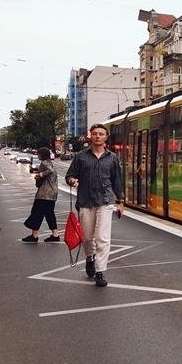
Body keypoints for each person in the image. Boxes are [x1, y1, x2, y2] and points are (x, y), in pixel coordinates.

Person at [65, 123, 124, 287]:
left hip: (105, 202)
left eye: (101, 134)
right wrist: (72, 180)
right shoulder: (80, 157)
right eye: (95, 133)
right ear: (90, 136)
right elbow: (70, 175)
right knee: (88, 237)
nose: (98, 136)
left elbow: (117, 181)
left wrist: (120, 201)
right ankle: (90, 257)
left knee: (102, 238)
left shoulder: (112, 158)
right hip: (85, 201)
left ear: (106, 138)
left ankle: (100, 271)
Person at [21, 147, 61, 243]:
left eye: (38, 153)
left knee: (36, 213)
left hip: (44, 194)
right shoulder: (51, 162)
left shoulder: (44, 164)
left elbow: (50, 171)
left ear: (42, 154)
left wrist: (40, 175)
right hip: (53, 193)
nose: (37, 155)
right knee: (49, 214)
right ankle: (55, 234)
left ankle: (34, 236)